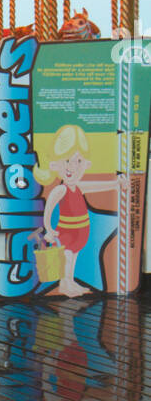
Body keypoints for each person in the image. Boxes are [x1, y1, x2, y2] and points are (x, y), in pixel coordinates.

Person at [33, 123, 114, 298]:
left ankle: (70, 282)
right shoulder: (60, 190)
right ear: (55, 164)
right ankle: (65, 284)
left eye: (78, 161)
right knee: (67, 259)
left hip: (80, 233)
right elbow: (48, 211)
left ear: (86, 164)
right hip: (66, 233)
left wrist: (116, 184)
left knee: (73, 259)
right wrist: (48, 228)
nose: (72, 167)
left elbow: (98, 186)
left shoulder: (78, 187)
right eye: (67, 161)